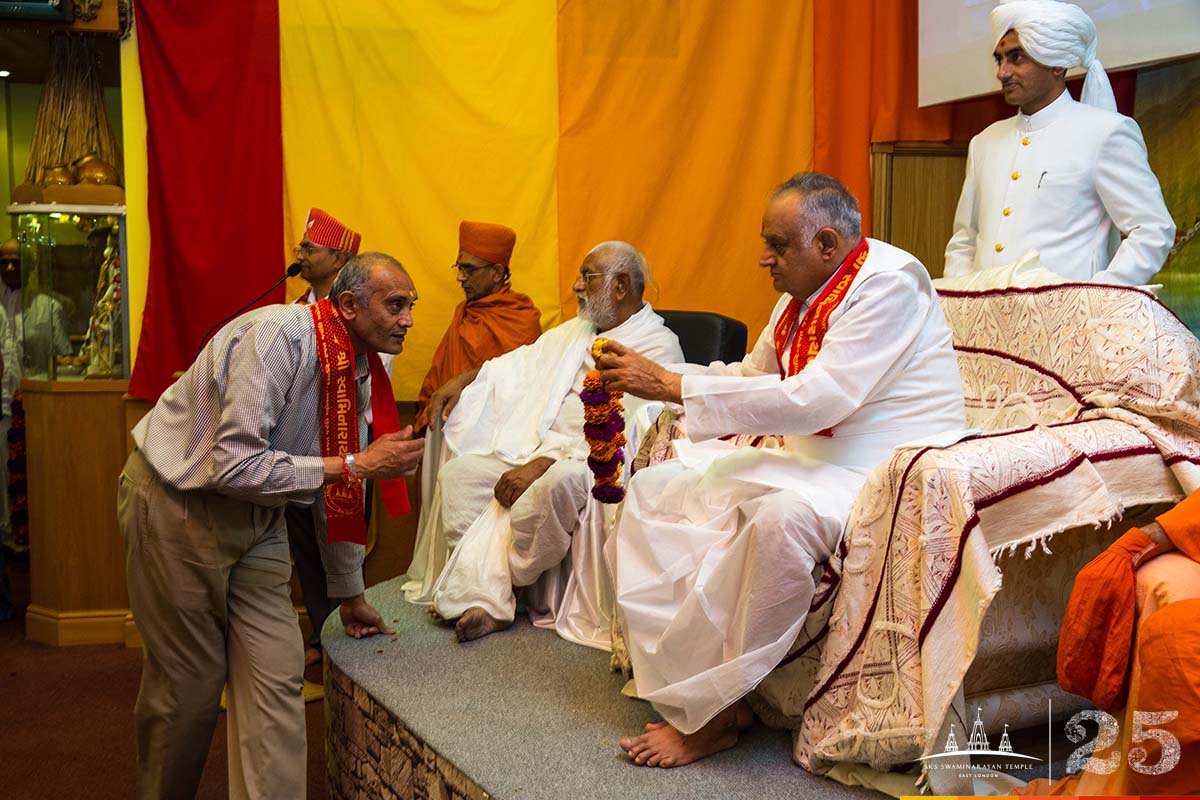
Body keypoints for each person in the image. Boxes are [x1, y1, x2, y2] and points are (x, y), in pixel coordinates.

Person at [596, 173, 966, 767]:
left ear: (827, 244)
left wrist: (670, 384)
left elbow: (820, 399)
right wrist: (666, 382)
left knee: (777, 522)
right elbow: (752, 376)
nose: (762, 258)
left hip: (885, 472)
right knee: (656, 490)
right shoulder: (799, 296)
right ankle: (689, 684)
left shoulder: (890, 285)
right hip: (811, 462)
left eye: (776, 244)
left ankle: (716, 714)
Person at [120, 252, 424, 799]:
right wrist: (353, 464)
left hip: (263, 517)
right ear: (349, 305)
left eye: (411, 306)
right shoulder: (276, 338)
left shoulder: (356, 368)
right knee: (189, 687)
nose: (408, 320)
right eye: (396, 305)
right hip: (179, 504)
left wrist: (349, 594)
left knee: (278, 677)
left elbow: (340, 491)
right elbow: (235, 467)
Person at [407, 241, 682, 643]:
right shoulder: (576, 332)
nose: (576, 286)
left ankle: (499, 587)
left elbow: (635, 429)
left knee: (559, 485)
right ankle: (494, 595)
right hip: (536, 445)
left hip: (592, 461)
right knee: (460, 476)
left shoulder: (658, 346)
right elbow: (516, 366)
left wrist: (545, 463)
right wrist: (463, 380)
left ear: (621, 286)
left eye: (587, 277)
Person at [943, 0, 1174, 285]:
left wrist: (1098, 296)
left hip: (1069, 312)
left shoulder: (1105, 133)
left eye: (1016, 58)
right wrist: (961, 295)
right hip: (983, 311)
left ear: (1057, 64)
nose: (1002, 72)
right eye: (999, 60)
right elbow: (964, 241)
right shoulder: (984, 143)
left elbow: (1153, 228)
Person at [286, 207, 384, 667]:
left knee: (343, 539)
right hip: (298, 450)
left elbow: (371, 380)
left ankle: (345, 632)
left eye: (310, 247)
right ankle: (320, 634)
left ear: (340, 258)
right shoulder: (293, 315)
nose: (300, 253)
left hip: (348, 443)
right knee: (304, 545)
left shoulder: (369, 314)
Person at [414, 220, 542, 432]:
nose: (460, 277)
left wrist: (463, 381)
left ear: (497, 273)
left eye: (469, 270)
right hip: (447, 426)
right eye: (459, 268)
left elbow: (521, 377)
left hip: (499, 432)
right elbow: (439, 377)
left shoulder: (522, 319)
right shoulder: (464, 312)